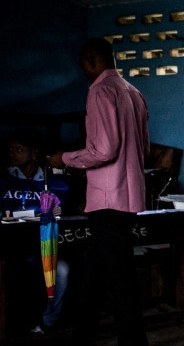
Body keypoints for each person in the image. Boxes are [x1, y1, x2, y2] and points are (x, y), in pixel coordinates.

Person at [48, 37, 150, 346]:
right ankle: (84, 335)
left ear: (92, 61)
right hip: (128, 199)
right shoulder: (134, 92)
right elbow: (143, 148)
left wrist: (64, 159)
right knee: (94, 271)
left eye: (84, 67)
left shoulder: (100, 91)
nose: (85, 74)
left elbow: (105, 149)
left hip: (108, 200)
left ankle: (133, 342)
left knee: (118, 278)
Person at [3, 128, 70, 333]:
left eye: (18, 149)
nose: (12, 153)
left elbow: (62, 209)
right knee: (22, 272)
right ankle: (24, 322)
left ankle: (48, 321)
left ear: (34, 153)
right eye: (10, 150)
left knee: (62, 270)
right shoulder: (4, 180)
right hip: (10, 244)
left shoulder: (52, 183)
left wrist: (57, 210)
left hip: (42, 245)